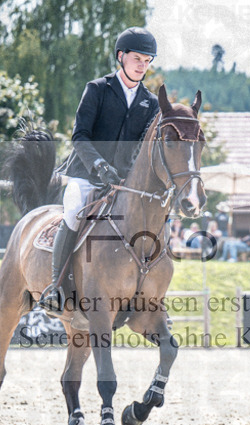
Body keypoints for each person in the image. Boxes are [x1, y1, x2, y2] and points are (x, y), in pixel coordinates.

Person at [41, 26, 161, 310]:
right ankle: (55, 287)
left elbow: (145, 150)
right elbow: (79, 135)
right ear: (121, 57)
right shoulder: (97, 89)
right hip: (87, 174)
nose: (143, 66)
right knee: (73, 210)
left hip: (125, 182)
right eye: (137, 59)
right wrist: (98, 164)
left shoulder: (152, 103)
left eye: (147, 61)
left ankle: (150, 296)